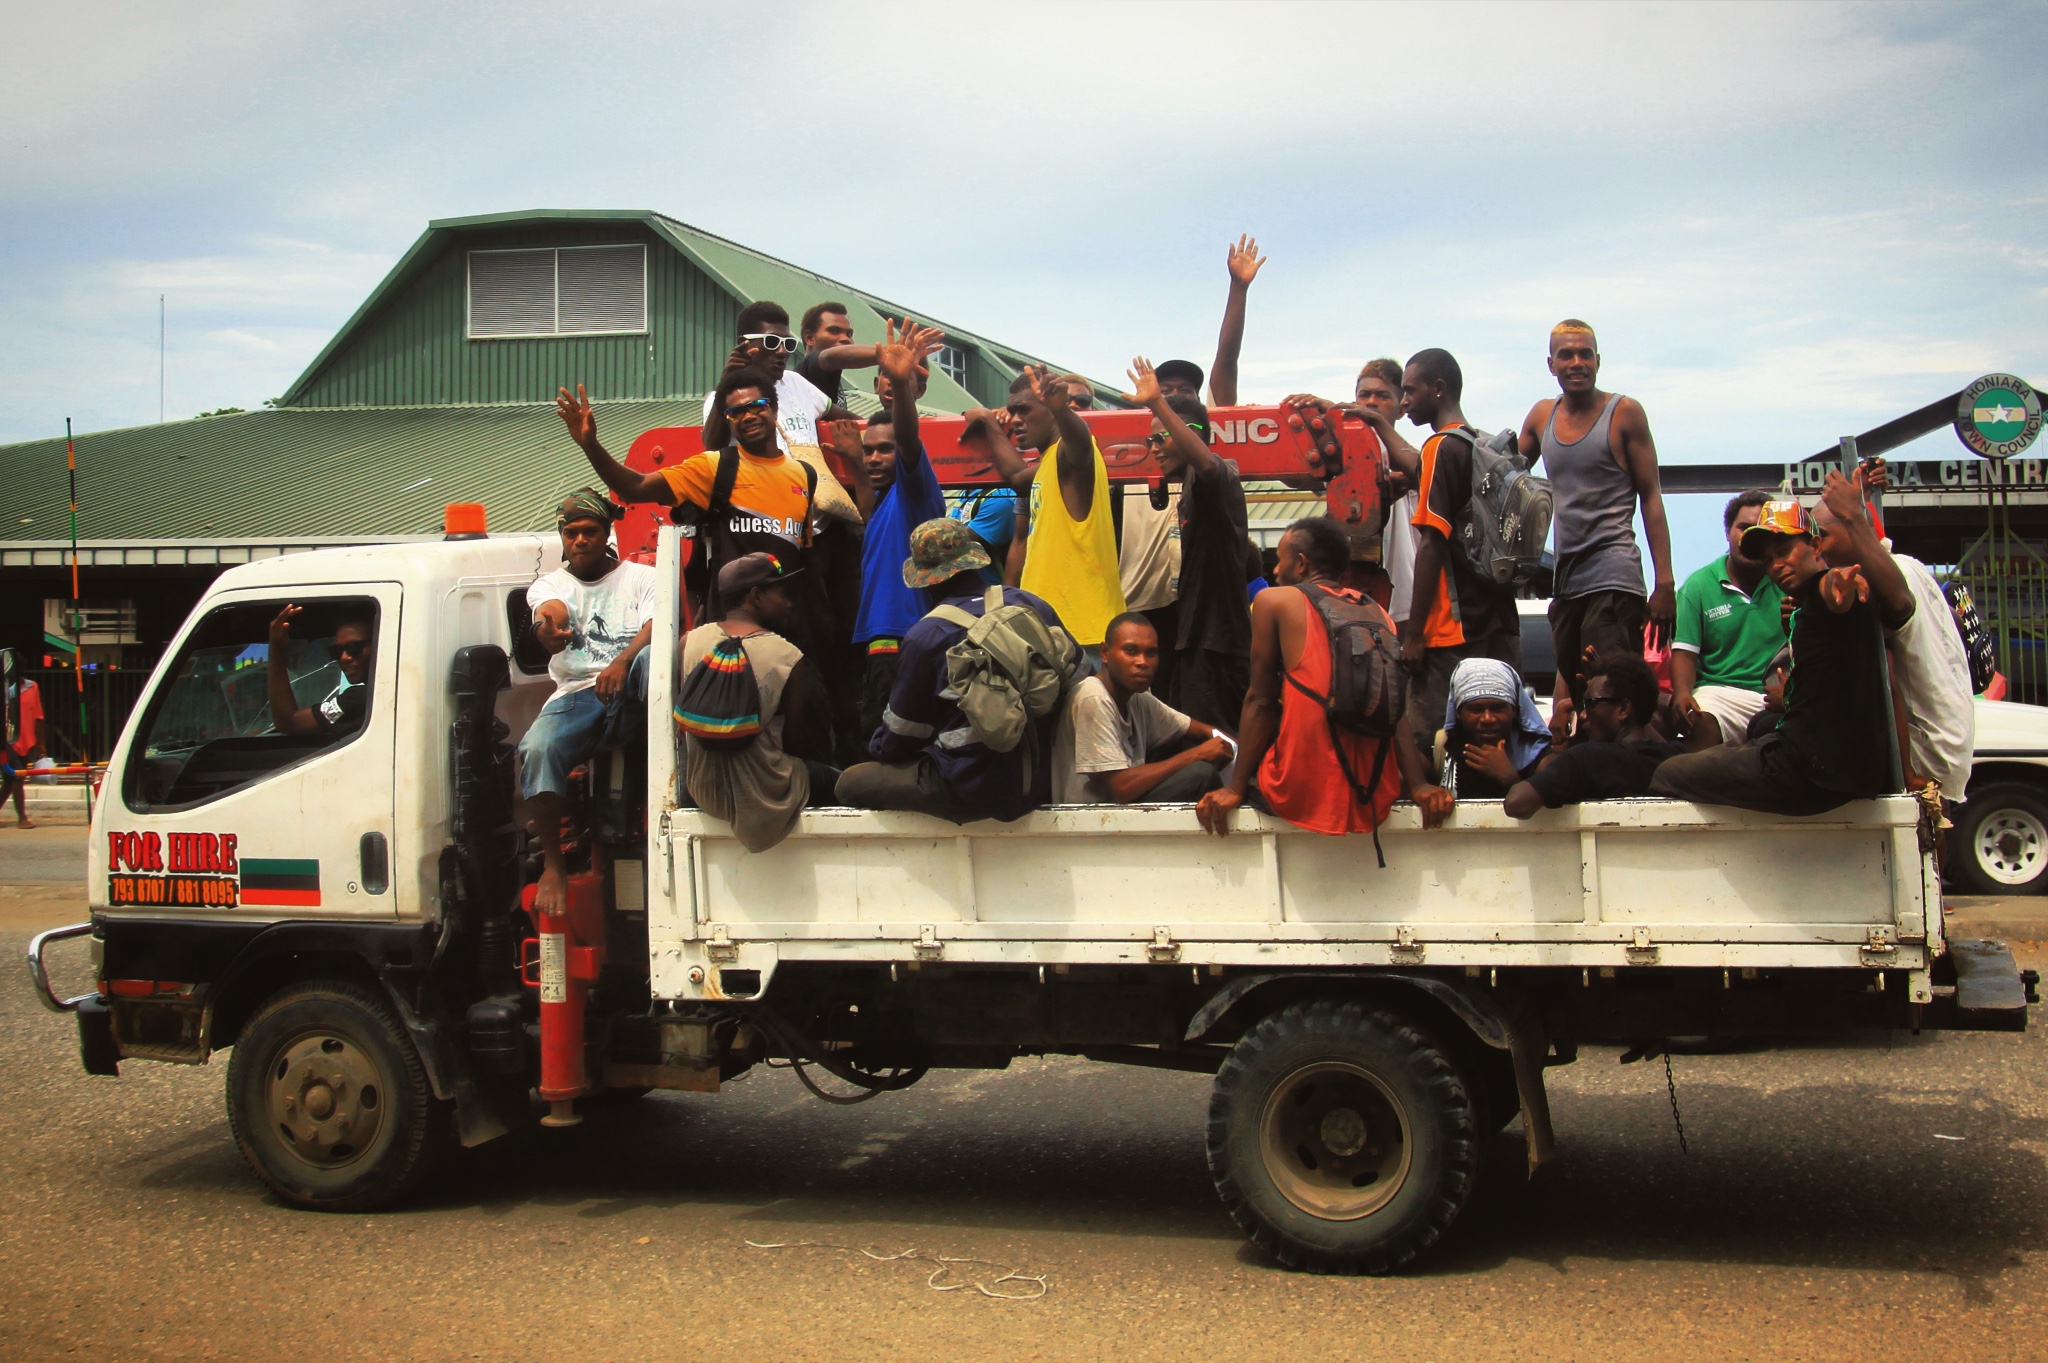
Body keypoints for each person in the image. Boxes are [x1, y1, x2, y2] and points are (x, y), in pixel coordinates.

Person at [1651, 497, 1897, 815]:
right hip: (1830, 762)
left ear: (1817, 547)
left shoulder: (1825, 589)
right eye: (1769, 560)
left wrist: (1842, 584)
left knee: (1666, 773)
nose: (1776, 566)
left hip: (1808, 770)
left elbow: (1833, 592)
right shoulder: (1797, 606)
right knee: (1760, 726)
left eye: (1784, 552)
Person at [1196, 517, 1432, 838]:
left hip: (1302, 791)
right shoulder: (1376, 611)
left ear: (1302, 563)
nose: (1275, 571)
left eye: (1280, 561)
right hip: (1375, 793)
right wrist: (1418, 786)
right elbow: (1395, 708)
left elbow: (1260, 701)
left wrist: (1235, 789)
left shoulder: (1273, 601)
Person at [838, 519, 1071, 823]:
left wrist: (877, 746)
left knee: (850, 782)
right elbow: (1075, 674)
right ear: (973, 560)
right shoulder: (1027, 602)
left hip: (972, 787)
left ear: (925, 579)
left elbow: (900, 737)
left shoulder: (927, 636)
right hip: (1043, 777)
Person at [559, 368, 815, 629]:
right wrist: (590, 444)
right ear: (728, 421)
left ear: (774, 408)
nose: (747, 416)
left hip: (791, 625)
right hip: (735, 631)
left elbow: (803, 557)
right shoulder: (714, 468)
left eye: (756, 406)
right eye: (735, 412)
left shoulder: (805, 475)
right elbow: (635, 487)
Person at [1517, 320, 1676, 730]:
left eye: (1585, 353)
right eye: (1566, 355)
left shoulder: (1623, 413)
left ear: (1598, 360)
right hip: (1567, 580)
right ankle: (1592, 770)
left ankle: (1631, 773)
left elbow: (1652, 497)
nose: (1576, 362)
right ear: (1551, 364)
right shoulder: (1541, 416)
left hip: (1613, 572)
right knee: (1580, 687)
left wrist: (1665, 583)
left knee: (1615, 691)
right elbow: (1508, 481)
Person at [517, 490, 656, 913]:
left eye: (589, 531)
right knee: (536, 749)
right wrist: (547, 629)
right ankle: (554, 867)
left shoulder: (640, 577)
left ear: (607, 531)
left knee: (655, 656)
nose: (580, 540)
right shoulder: (549, 585)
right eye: (571, 532)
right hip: (580, 697)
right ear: (562, 536)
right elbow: (552, 611)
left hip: (634, 690)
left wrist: (622, 661)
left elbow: (654, 624)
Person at [1811, 468, 1974, 802]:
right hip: (1945, 736)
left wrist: (1855, 514)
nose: (1817, 547)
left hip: (1922, 747)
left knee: (1922, 839)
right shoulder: (1908, 564)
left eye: (1823, 535)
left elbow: (1899, 607)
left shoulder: (1892, 576)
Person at [1400, 348, 1522, 752]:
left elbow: (1433, 542)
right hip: (1498, 619)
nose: (1404, 402)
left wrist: (1414, 634)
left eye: (1409, 391)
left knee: (1426, 740)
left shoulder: (1439, 447)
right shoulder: (1485, 447)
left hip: (1450, 628)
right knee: (1498, 738)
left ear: (1438, 389)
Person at [680, 552, 839, 852]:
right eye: (781, 593)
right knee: (843, 782)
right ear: (755, 596)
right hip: (764, 794)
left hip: (702, 790)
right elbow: (796, 741)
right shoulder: (787, 655)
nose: (789, 602)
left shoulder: (688, 642)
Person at [963, 367, 1126, 652]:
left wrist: (1062, 410)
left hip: (1082, 633)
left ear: (1051, 410)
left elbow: (1080, 441)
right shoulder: (1046, 464)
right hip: (1051, 632)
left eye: (1024, 410)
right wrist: (989, 421)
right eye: (1011, 411)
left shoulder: (1071, 453)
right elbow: (1015, 477)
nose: (1015, 420)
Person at [1127, 356, 1251, 730]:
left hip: (1218, 647)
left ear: (1190, 432)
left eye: (1161, 437)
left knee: (1218, 749)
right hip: (1196, 641)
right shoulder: (1189, 490)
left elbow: (1209, 465)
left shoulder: (1218, 473)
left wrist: (1157, 404)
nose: (1155, 448)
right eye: (1150, 440)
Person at [848, 321, 948, 741]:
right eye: (867, 449)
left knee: (890, 746)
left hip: (902, 637)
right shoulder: (884, 502)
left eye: (883, 449)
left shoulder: (914, 490)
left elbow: (909, 440)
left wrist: (902, 385)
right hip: (880, 641)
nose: (874, 458)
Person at [698, 301, 864, 526]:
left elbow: (851, 419)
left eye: (788, 343)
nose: (782, 351)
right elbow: (712, 445)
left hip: (817, 527)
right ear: (745, 345)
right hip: (768, 527)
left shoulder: (796, 383)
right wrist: (728, 382)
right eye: (772, 341)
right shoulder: (722, 398)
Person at [1054, 613, 1232, 804]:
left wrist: (1235, 751)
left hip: (1122, 813)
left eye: (1151, 653)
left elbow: (1197, 729)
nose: (1142, 662)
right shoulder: (1093, 697)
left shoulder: (1138, 697)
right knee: (1199, 774)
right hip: (1092, 822)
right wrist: (1198, 753)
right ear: (1105, 653)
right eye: (1131, 651)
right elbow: (1121, 788)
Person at [1504, 654, 1684, 817]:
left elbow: (1516, 804)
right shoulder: (1677, 756)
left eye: (1591, 704)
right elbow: (1648, 737)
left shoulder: (1586, 760)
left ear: (1624, 709)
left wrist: (1508, 776)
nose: (1582, 715)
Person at [1671, 489, 1786, 745]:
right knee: (1697, 720)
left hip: (1776, 694)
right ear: (1727, 533)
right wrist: (1681, 693)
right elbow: (1685, 654)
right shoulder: (1698, 585)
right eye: (1743, 527)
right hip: (1719, 694)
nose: (1750, 537)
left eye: (1760, 529)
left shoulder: (1787, 579)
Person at [1408, 658, 1554, 814]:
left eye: (1498, 709)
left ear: (1515, 710)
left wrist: (1509, 778)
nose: (1487, 719)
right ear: (1458, 712)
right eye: (1476, 710)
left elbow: (1551, 809)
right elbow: (1400, 785)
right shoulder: (1440, 747)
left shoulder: (1538, 756)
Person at [266, 604, 374, 740]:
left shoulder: (362, 699)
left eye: (352, 648)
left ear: (378, 643)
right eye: (337, 651)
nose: (344, 658)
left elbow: (289, 722)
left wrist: (276, 647)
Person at [1207, 234, 1265, 407]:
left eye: (1185, 390)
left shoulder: (1212, 422)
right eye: (1165, 391)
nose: (1176, 395)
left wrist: (1238, 287)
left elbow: (1226, 360)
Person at [793, 301, 877, 407]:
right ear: (809, 338)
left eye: (849, 334)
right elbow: (830, 357)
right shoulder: (805, 373)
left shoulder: (836, 384)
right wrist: (887, 354)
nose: (845, 338)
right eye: (834, 331)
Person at [951, 481, 1020, 589]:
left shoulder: (1000, 499)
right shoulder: (968, 490)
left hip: (994, 591)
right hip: (967, 589)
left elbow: (955, 544)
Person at [0, 675, 45, 828]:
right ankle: (22, 818)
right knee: (18, 776)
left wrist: (40, 743)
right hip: (7, 742)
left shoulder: (32, 687)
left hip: (26, 739)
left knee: (8, 781)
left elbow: (38, 715)